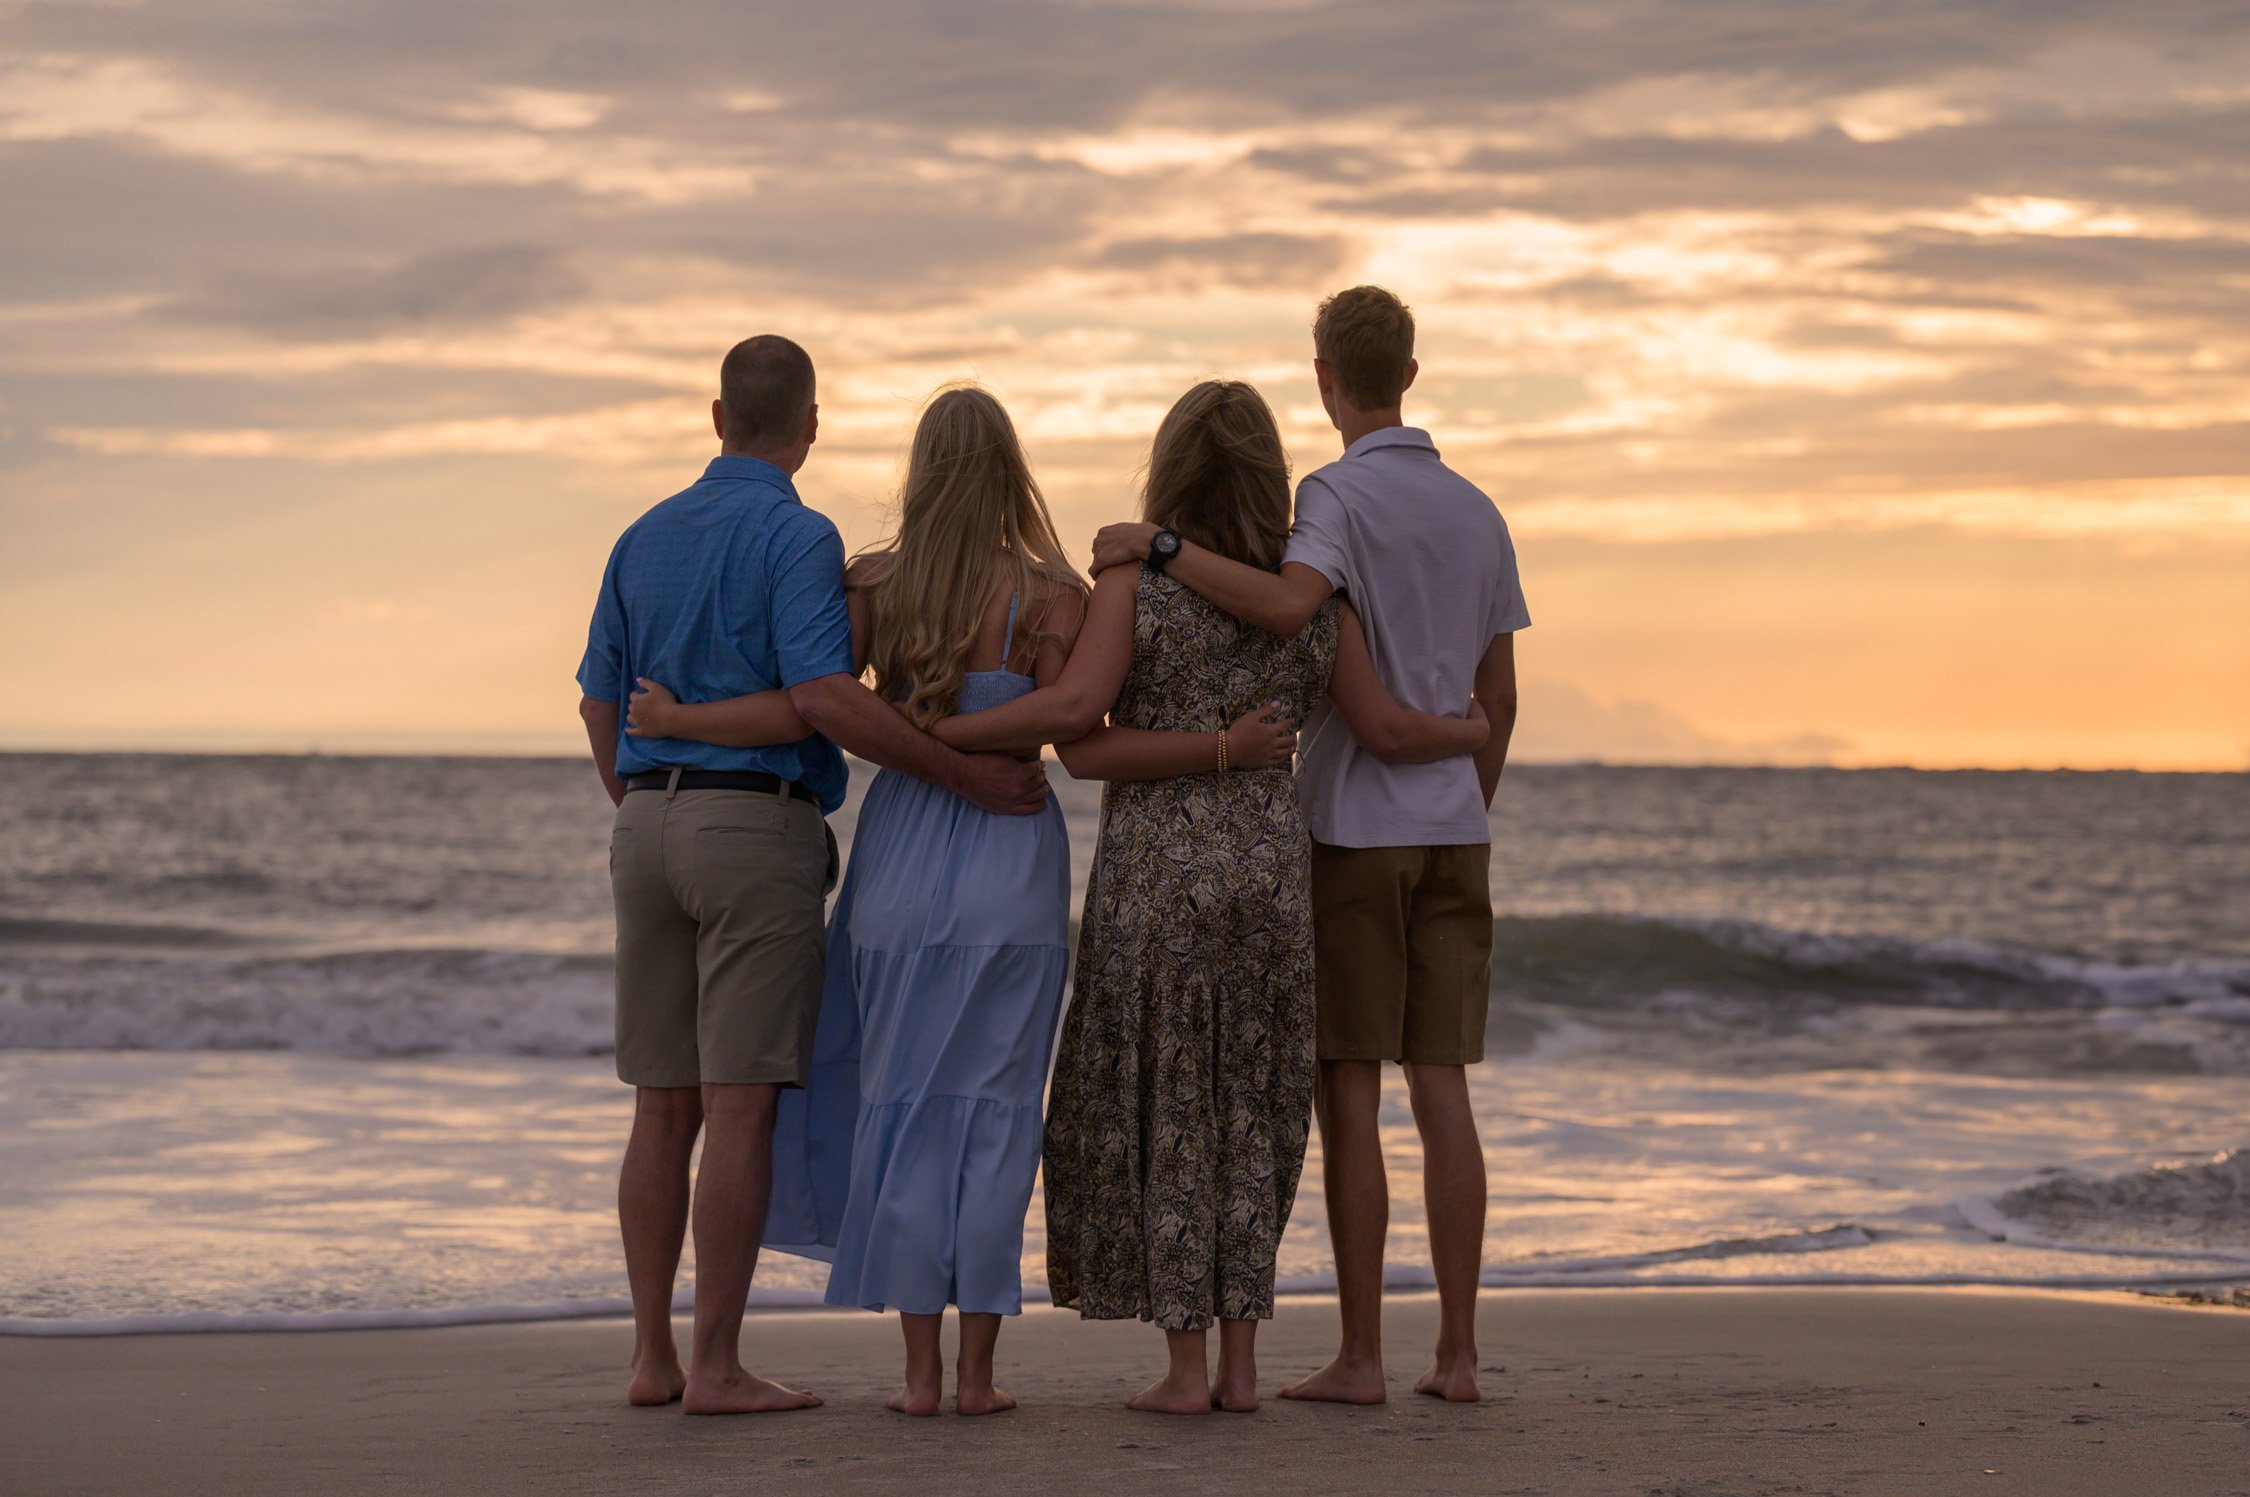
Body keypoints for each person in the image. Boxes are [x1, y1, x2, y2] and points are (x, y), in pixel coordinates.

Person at [937, 379, 1488, 1414]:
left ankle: (1186, 1371)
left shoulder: (1135, 587)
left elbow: (1083, 743)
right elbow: (1375, 722)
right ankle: (1240, 1370)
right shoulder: (1317, 599)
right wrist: (1464, 732)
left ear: (1169, 473)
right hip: (1272, 881)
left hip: (1161, 880)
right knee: (1252, 1109)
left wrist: (1204, 749)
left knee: (1172, 1105)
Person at [574, 342, 1047, 1417]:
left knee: (661, 1106)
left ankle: (652, 1359)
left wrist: (646, 803)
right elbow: (827, 698)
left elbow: (600, 701)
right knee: (740, 1108)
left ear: (715, 414)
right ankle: (719, 1368)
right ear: (812, 423)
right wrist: (959, 773)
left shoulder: (640, 536)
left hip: (645, 824)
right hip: (753, 826)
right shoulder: (797, 535)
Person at [1091, 288, 1529, 1405]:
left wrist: (1160, 543)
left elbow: (1292, 611)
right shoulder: (1480, 511)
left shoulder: (1332, 497)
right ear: (1412, 373)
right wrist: (1461, 794)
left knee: (1348, 1090)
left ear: (1326, 374)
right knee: (1446, 1090)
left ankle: (1364, 1357)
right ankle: (1461, 1356)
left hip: (1351, 829)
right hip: (1455, 830)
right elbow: (1500, 697)